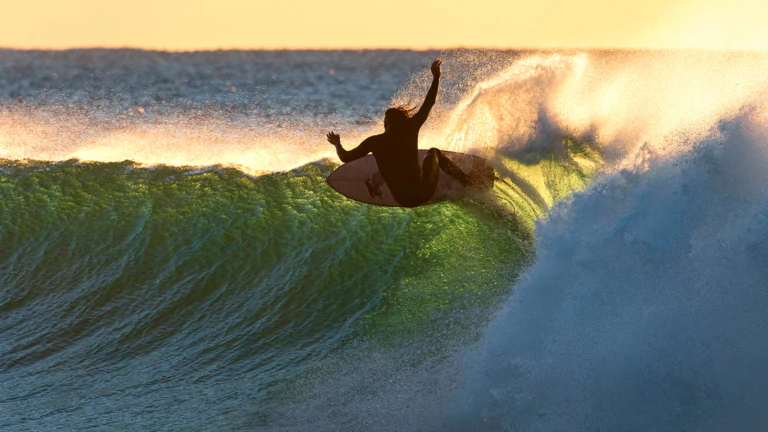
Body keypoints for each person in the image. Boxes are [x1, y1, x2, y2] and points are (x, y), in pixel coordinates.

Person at [327, 59, 470, 207]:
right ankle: (466, 181)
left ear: (387, 123)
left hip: (402, 200)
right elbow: (429, 102)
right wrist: (436, 77)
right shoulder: (411, 127)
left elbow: (345, 157)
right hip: (424, 192)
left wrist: (337, 144)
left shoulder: (374, 142)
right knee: (434, 152)